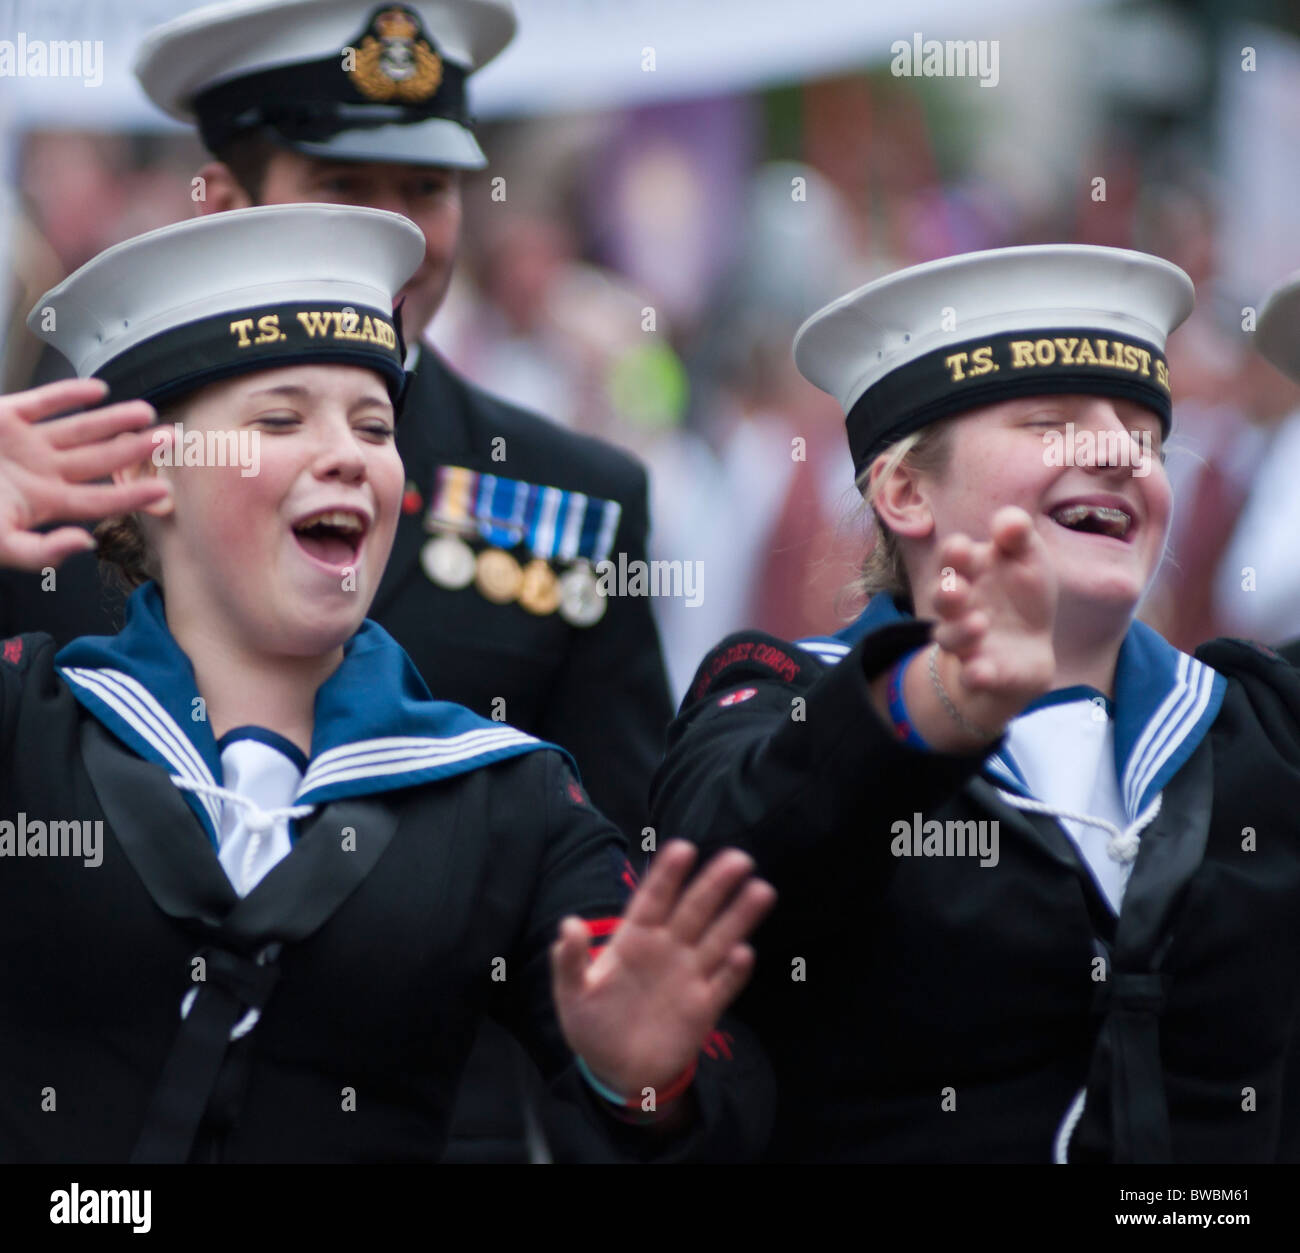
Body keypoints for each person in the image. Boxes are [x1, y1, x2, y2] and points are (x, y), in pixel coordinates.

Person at [3, 0, 678, 1163]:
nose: (397, 229)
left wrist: (636, 1077)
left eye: (424, 190)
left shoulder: (563, 522)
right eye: (340, 182)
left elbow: (624, 927)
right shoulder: (61, 493)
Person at [650, 244, 1300, 1163]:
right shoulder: (783, 696)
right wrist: (937, 704)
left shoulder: (1260, 725)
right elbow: (732, 850)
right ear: (904, 488)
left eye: (1143, 434)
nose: (1118, 452)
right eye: (1050, 421)